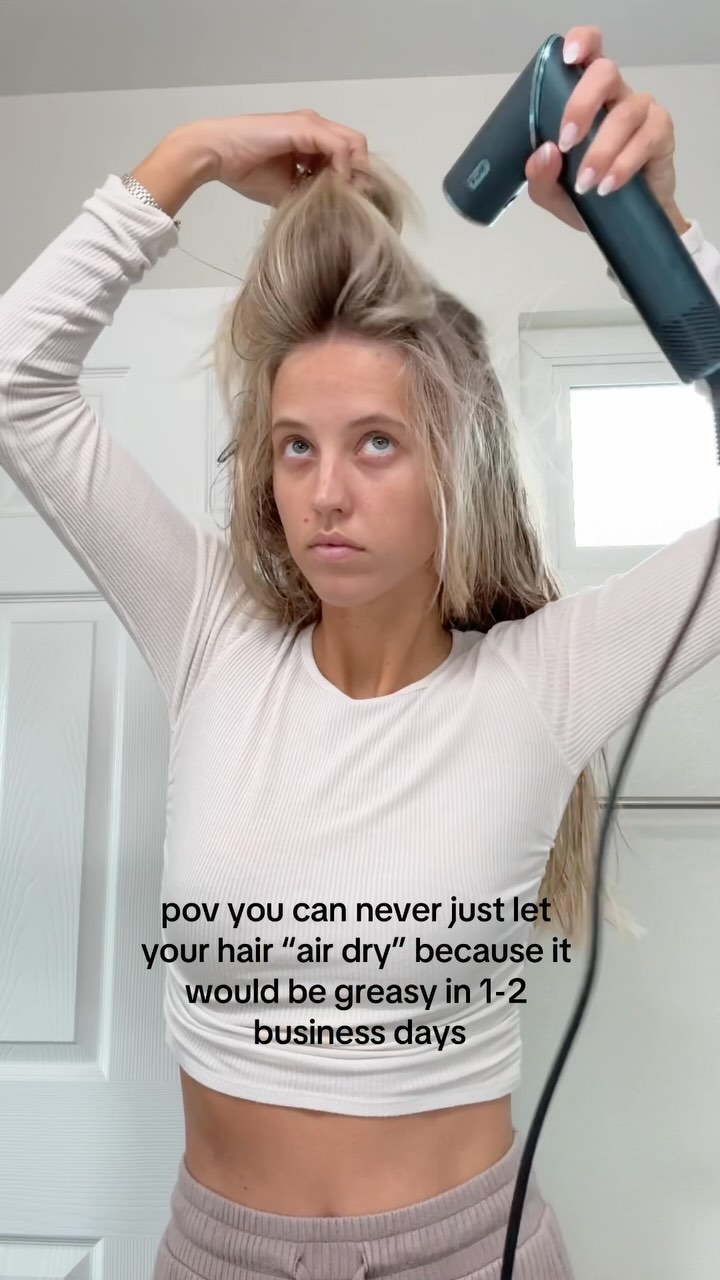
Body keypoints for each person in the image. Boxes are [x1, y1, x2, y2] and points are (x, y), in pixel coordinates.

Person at [1, 22, 718, 1280]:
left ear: (456, 460)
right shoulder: (215, 633)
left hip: (467, 1253)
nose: (324, 490)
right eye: (295, 445)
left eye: (376, 441)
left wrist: (657, 240)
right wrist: (190, 154)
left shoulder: (543, 680)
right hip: (214, 1251)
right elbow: (19, 381)